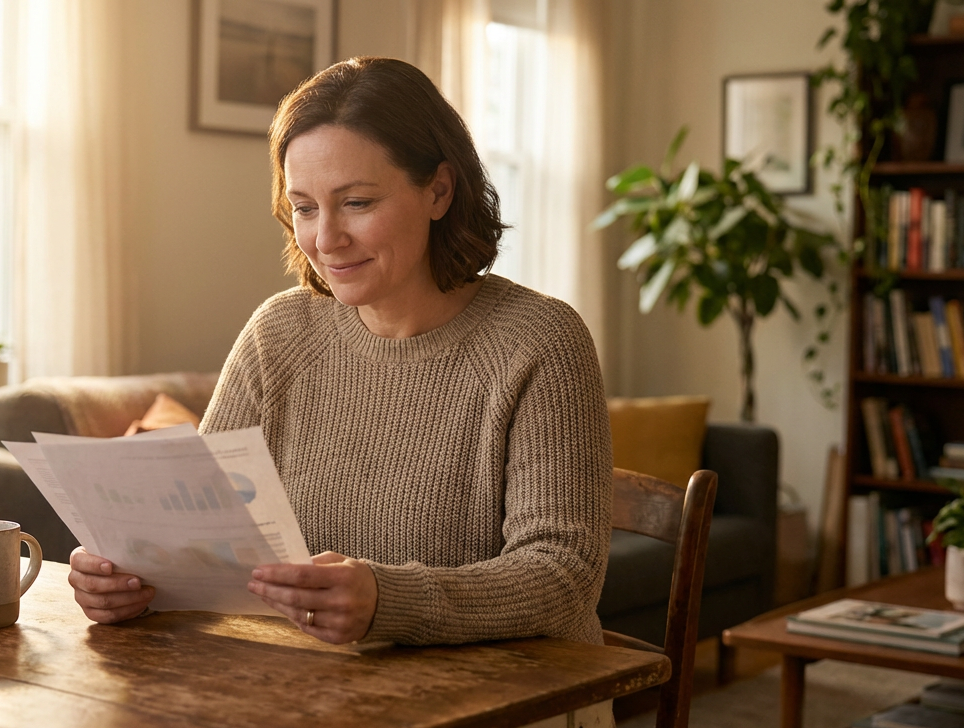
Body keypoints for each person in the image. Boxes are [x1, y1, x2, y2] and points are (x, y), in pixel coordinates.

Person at [67, 57, 611, 647]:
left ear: (439, 191)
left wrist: (388, 599)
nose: (326, 239)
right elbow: (197, 540)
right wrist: (132, 579)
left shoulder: (540, 341)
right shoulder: (278, 334)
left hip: (519, 710)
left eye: (356, 203)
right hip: (313, 696)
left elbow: (564, 576)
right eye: (304, 207)